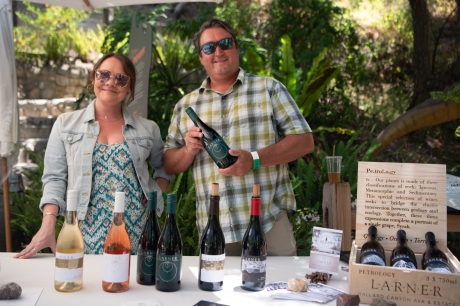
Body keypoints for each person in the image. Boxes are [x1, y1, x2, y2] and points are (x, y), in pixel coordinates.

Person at [164, 19, 314, 256]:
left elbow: (305, 141)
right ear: (201, 57)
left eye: (225, 43)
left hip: (269, 221)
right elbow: (169, 164)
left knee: (280, 291)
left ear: (236, 47)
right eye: (209, 47)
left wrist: (254, 159)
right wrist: (188, 150)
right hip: (215, 225)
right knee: (220, 291)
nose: (218, 52)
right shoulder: (186, 106)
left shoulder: (269, 88)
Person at [14, 53, 174, 258]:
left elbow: (164, 167)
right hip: (82, 231)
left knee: (134, 288)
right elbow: (54, 178)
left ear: (129, 88)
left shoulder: (148, 129)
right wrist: (48, 225)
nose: (110, 82)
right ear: (94, 79)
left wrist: (155, 195)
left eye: (121, 78)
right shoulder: (65, 124)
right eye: (104, 75)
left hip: (138, 230)